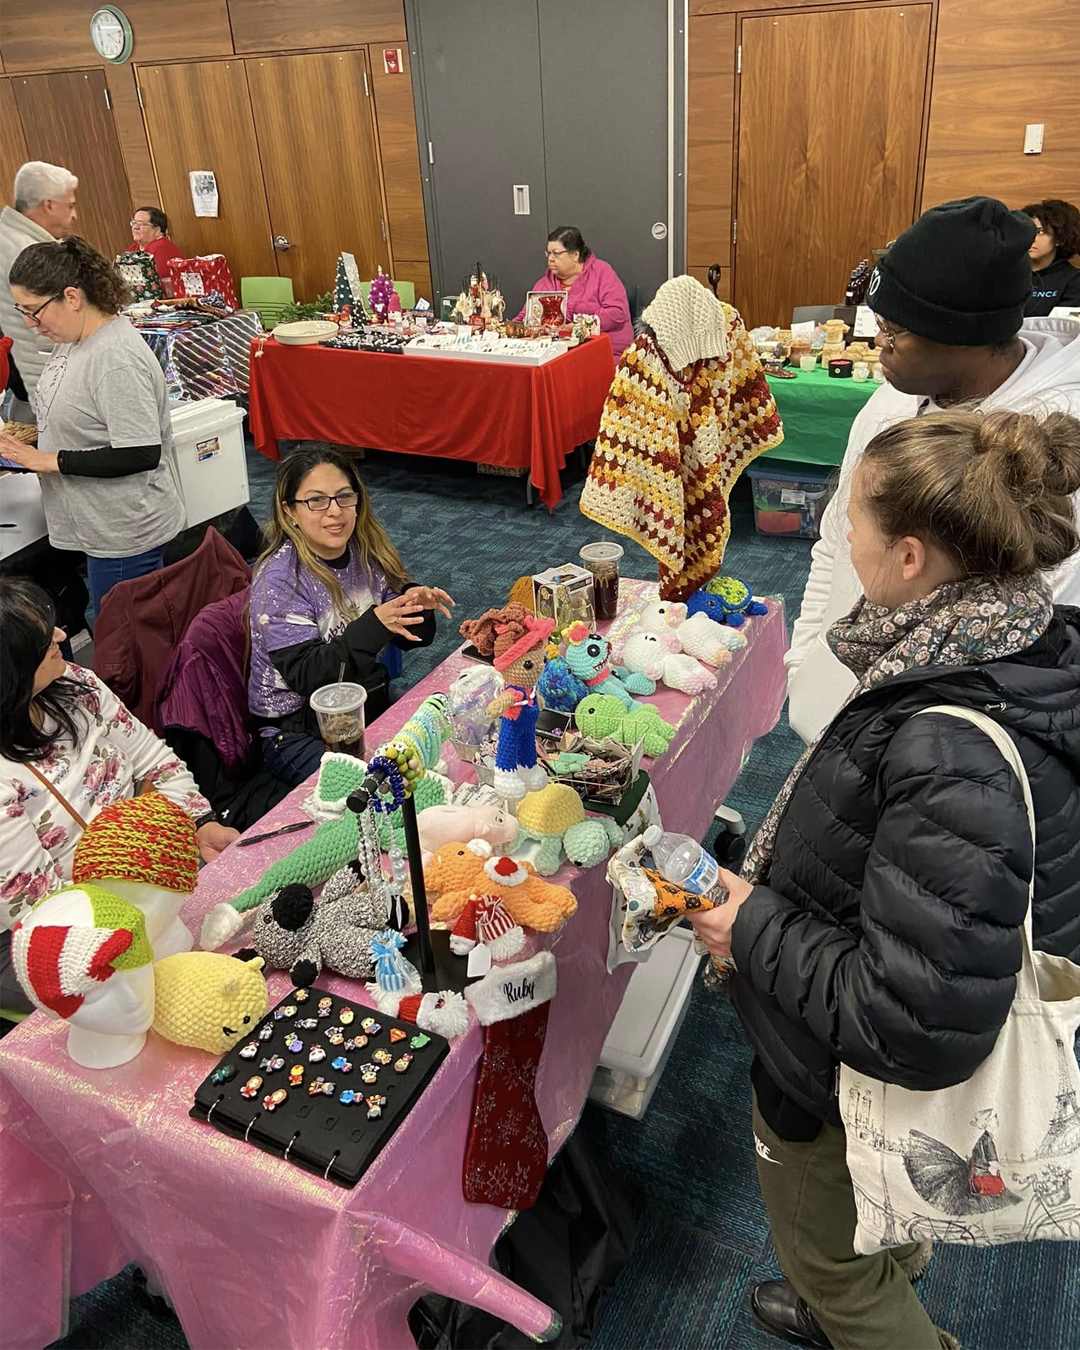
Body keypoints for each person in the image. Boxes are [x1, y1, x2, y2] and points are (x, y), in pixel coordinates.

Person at [686, 406, 1080, 1350]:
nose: (837, 526)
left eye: (848, 511)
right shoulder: (1012, 642)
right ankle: (887, 1260)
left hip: (846, 1084)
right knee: (873, 1223)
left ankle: (865, 1311)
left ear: (909, 558)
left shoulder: (950, 744)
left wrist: (746, 924)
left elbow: (912, 1026)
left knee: (828, 1259)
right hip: (870, 1062)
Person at [786, 196, 1080, 745]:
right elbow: (834, 541)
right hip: (838, 706)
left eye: (894, 331)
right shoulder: (892, 402)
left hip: (936, 747)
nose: (879, 344)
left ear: (963, 338)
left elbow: (1031, 641)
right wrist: (805, 660)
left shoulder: (1049, 452)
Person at [0, 577, 239, 1013]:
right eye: (42, 638)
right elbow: (44, 912)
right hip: (67, 929)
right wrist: (151, 885)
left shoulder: (74, 685)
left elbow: (156, 762)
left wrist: (195, 824)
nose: (60, 636)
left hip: (147, 874)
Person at [0, 236, 186, 618]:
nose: (29, 324)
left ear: (71, 296)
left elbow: (141, 452)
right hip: (98, 524)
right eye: (22, 311)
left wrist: (49, 461)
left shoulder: (115, 358)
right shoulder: (75, 338)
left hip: (124, 534)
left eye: (35, 311)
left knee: (124, 647)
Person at [249, 449, 455, 788]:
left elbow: (410, 635)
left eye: (344, 497)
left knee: (438, 750)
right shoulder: (281, 578)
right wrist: (376, 624)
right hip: (296, 728)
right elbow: (309, 676)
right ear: (290, 511)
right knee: (373, 795)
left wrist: (416, 603)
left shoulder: (364, 550)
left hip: (360, 704)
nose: (335, 511)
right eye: (316, 501)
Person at [0, 161, 78, 420]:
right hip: (44, 392)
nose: (74, 215)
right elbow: (46, 333)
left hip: (26, 389)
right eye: (70, 205)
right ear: (49, 205)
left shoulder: (9, 238)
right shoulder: (24, 252)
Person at [516, 226, 633, 360]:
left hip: (603, 352)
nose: (550, 259)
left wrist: (579, 325)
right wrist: (504, 329)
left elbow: (617, 312)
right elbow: (525, 318)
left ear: (575, 255)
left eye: (556, 253)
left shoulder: (601, 272)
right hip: (557, 355)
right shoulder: (544, 284)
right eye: (548, 253)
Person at [1022, 198, 1080, 315]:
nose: (1031, 238)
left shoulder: (1073, 280)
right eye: (1026, 230)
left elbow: (1063, 326)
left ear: (1059, 237)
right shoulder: (1006, 272)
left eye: (1040, 232)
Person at [124, 206, 183, 275]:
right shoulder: (134, 248)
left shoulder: (164, 250)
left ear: (157, 231)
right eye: (134, 223)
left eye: (140, 223)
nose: (135, 227)